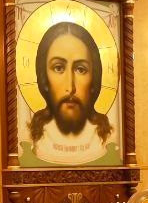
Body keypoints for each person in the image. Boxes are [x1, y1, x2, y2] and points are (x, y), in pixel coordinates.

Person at [28, 21, 113, 164]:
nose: (70, 87)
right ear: (44, 77)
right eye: (58, 68)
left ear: (94, 78)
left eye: (81, 69)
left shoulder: (108, 137)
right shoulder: (32, 137)